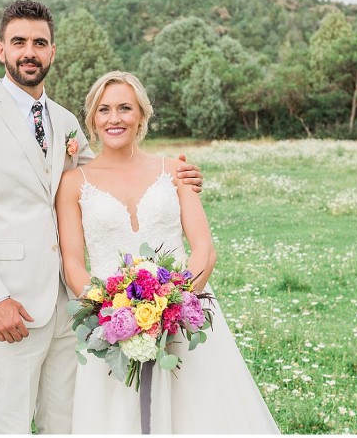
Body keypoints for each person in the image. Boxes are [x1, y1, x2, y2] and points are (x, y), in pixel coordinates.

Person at [0, 0, 204, 433]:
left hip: (72, 306)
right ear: (0, 50)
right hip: (12, 304)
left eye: (39, 43)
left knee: (64, 425)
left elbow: (104, 177)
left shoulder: (65, 120)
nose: (30, 51)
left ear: (52, 51)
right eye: (19, 42)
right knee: (8, 426)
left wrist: (181, 179)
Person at [56, 71, 279, 433]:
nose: (115, 118)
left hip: (184, 319)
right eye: (104, 110)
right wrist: (110, 312)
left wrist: (172, 305)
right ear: (92, 120)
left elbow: (204, 249)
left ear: (142, 115)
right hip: (110, 324)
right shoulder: (73, 183)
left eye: (125, 108)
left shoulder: (175, 171)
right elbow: (73, 264)